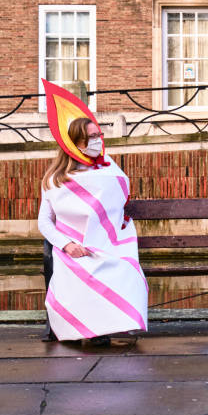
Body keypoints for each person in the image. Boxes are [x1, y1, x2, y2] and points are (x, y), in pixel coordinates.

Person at [38, 79, 148, 343]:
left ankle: (107, 327)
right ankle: (87, 329)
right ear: (76, 142)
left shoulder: (108, 168)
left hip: (110, 244)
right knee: (79, 270)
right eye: (92, 137)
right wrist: (67, 245)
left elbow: (117, 203)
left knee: (124, 268)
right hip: (72, 246)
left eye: (99, 135)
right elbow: (44, 221)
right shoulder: (55, 179)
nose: (98, 140)